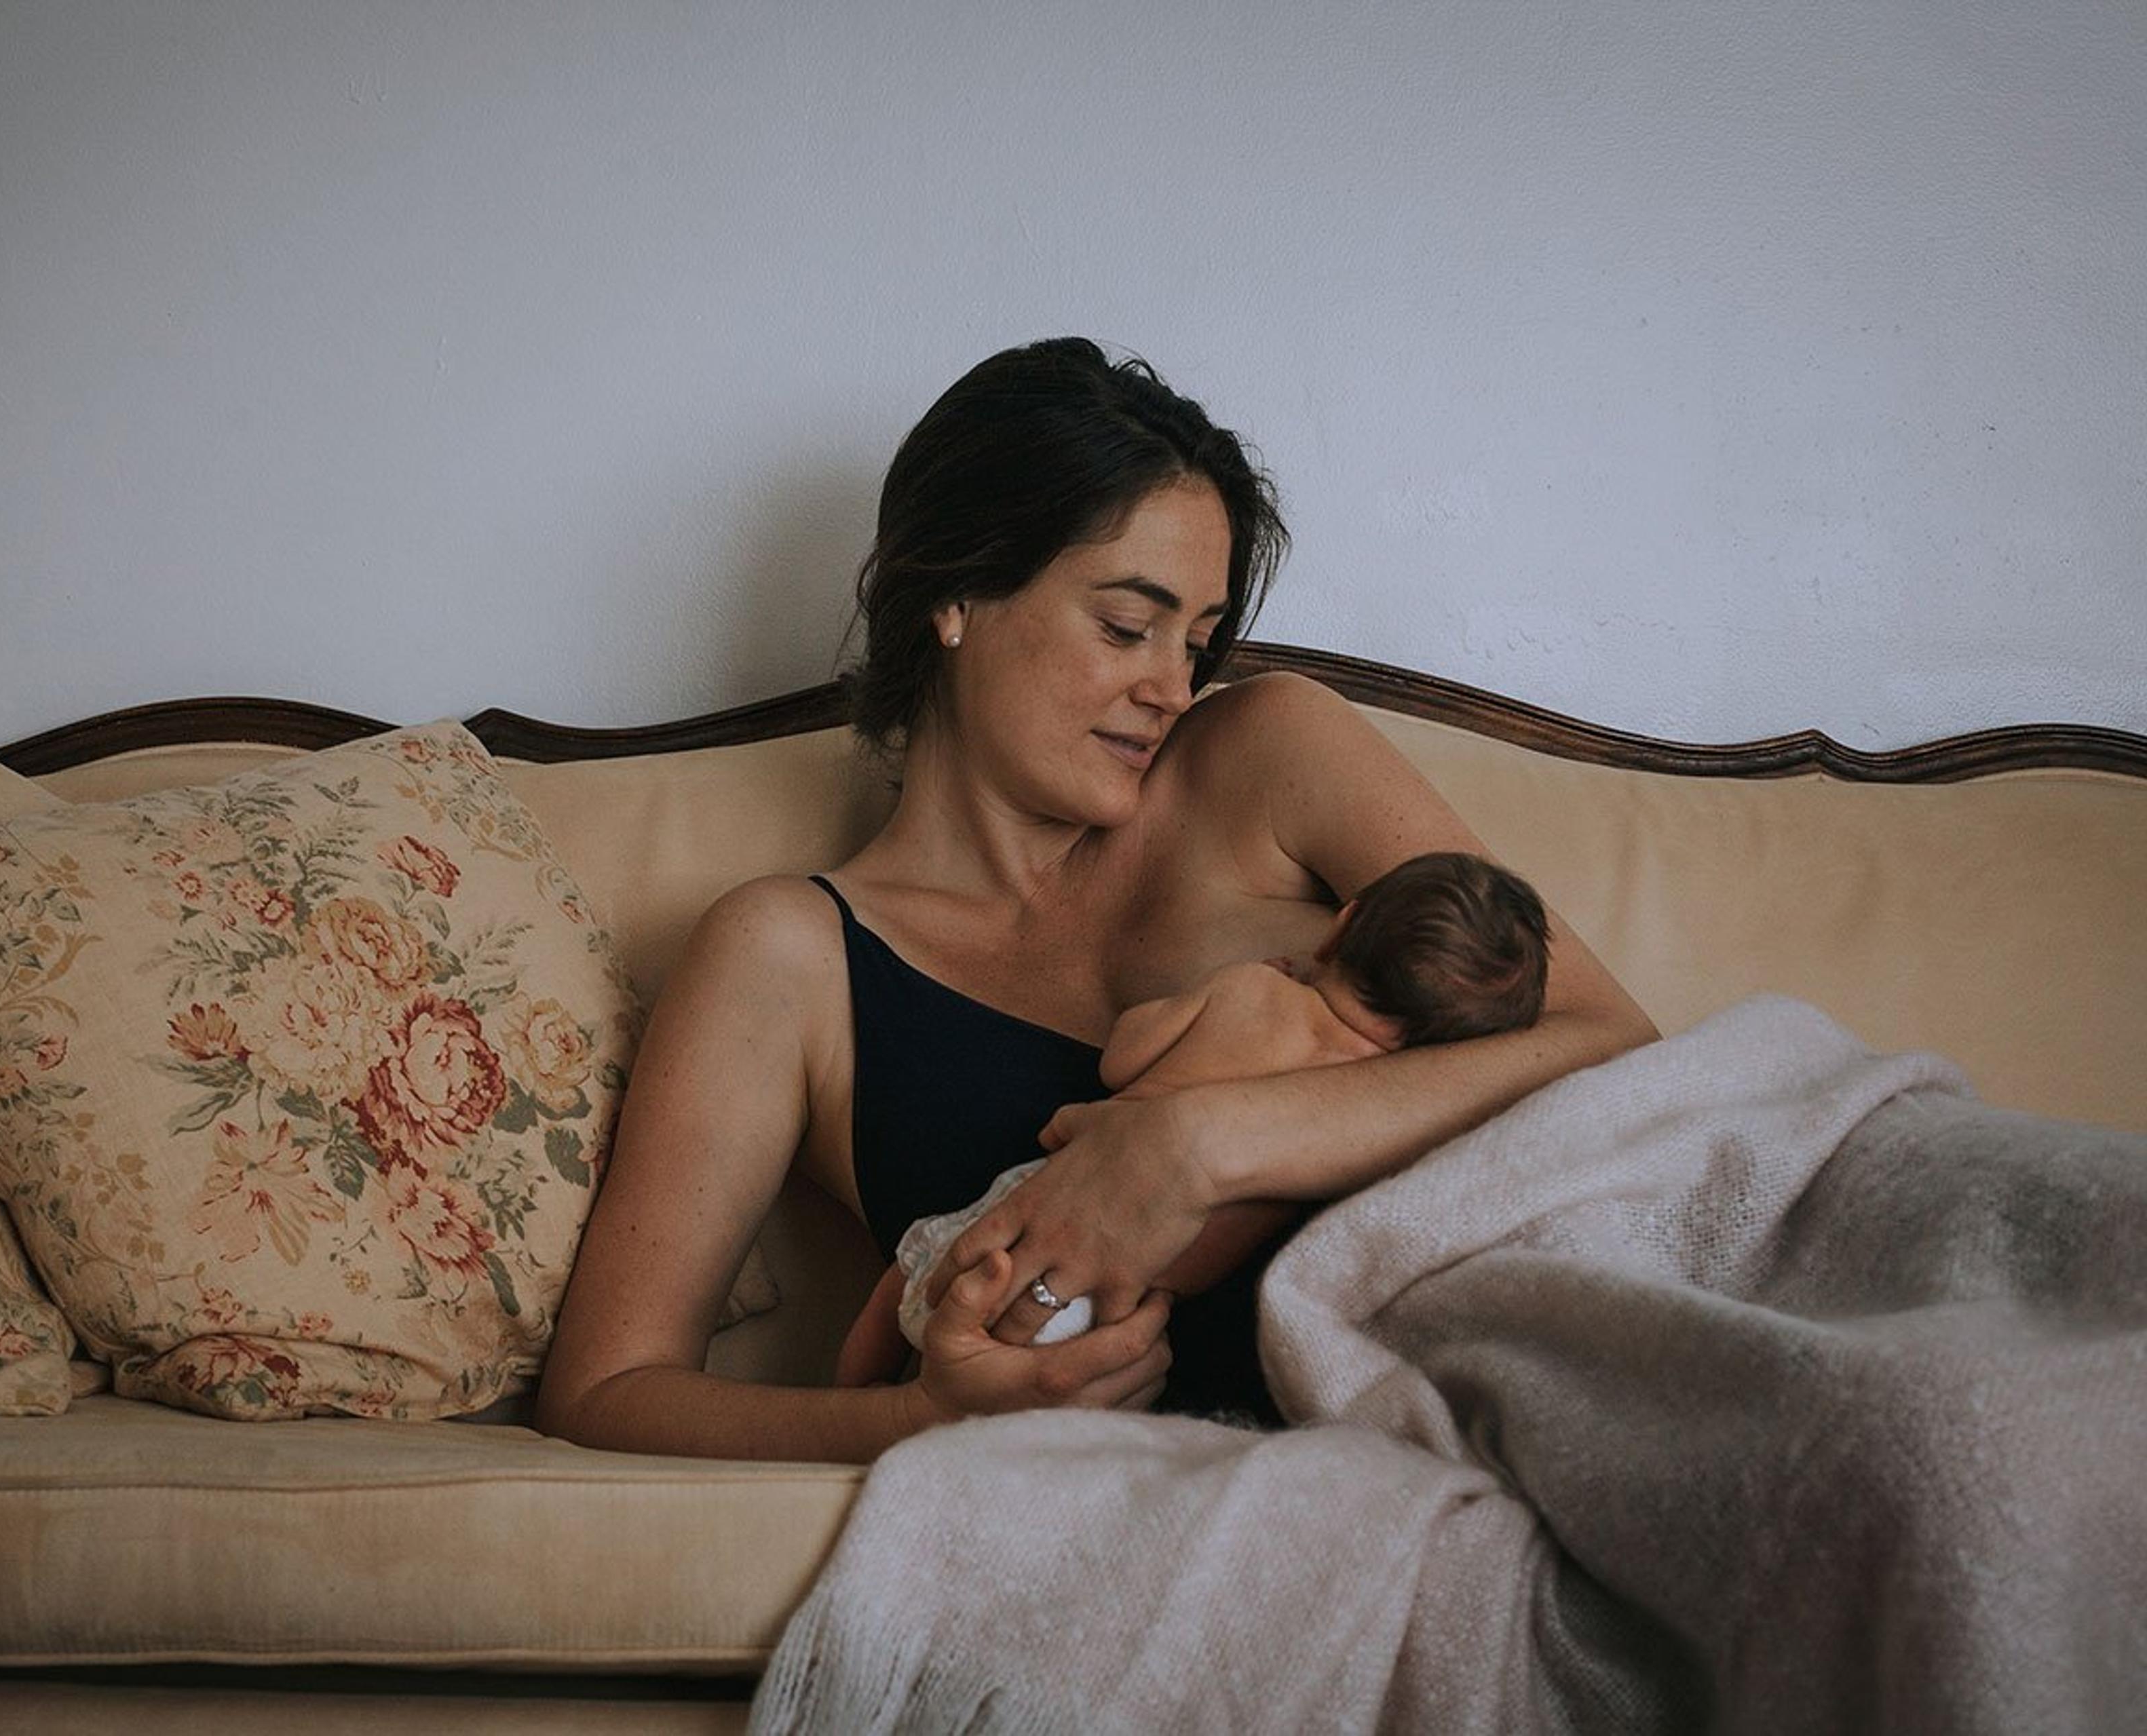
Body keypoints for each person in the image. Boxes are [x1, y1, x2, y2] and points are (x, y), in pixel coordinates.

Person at [535, 337, 1656, 1463]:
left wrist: (1196, 1146)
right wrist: (914, 1419)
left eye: (1199, 641)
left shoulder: (1267, 755)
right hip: (1208, 1484)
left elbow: (1611, 1042)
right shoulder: (788, 955)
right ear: (957, 592)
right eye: (1126, 626)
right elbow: (606, 1388)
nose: (1173, 685)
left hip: (1497, 1397)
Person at [836, 849, 1552, 1393]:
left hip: (1056, 1209)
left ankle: (854, 1397)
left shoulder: (1253, 990)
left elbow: (1122, 1060)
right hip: (1130, 1310)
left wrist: (1207, 994)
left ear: (1343, 926)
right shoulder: (1373, 1113)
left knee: (905, 1282)